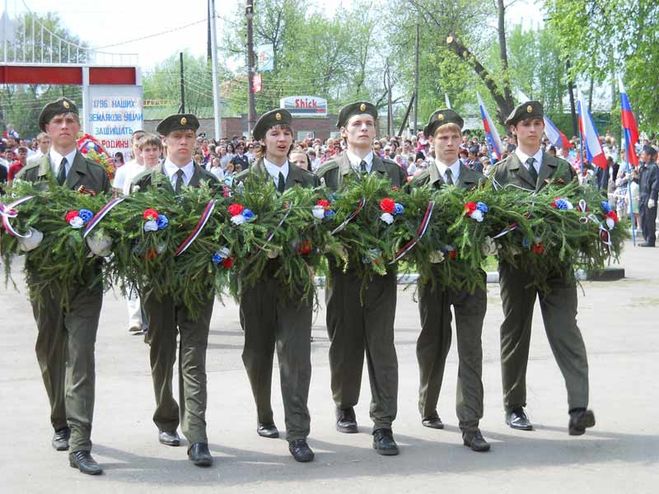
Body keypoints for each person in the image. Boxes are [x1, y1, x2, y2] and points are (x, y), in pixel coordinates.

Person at [16, 97, 111, 475]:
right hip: (45, 279)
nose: (65, 125)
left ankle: (80, 441)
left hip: (86, 278)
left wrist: (103, 239)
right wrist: (23, 239)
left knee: (81, 354)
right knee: (51, 351)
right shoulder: (28, 175)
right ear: (47, 130)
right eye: (58, 121)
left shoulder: (96, 173)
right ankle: (60, 420)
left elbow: (110, 217)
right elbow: (12, 222)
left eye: (71, 120)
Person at [491, 101, 595, 436]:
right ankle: (514, 405)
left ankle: (579, 408)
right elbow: (492, 223)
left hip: (556, 267)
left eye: (538, 123)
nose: (533, 129)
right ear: (514, 131)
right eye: (526, 124)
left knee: (566, 331)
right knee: (515, 334)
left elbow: (578, 212)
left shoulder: (562, 169)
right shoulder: (500, 173)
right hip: (517, 266)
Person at [316, 102, 406, 456]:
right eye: (357, 124)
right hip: (344, 273)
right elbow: (319, 224)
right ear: (344, 132)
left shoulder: (393, 172)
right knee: (345, 343)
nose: (365, 129)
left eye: (370, 124)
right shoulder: (328, 174)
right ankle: (345, 403)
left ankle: (383, 423)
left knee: (382, 347)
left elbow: (405, 218)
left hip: (382, 273)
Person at [131, 113, 219, 467]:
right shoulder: (143, 184)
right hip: (158, 284)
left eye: (190, 136)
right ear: (163, 141)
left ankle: (197, 434)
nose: (184, 141)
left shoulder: (211, 183)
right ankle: (167, 418)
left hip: (198, 284)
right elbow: (132, 237)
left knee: (194, 357)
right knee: (162, 353)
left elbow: (222, 232)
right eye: (177, 136)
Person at [235, 109, 319, 463]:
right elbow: (234, 231)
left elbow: (319, 231)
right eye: (274, 134)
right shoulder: (243, 181)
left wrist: (309, 262)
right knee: (257, 353)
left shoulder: (308, 181)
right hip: (256, 281)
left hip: (295, 280)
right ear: (262, 140)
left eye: (286, 133)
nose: (282, 139)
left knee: (296, 354)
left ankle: (298, 432)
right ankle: (264, 411)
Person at [410, 109, 490, 452]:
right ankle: (428, 404)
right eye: (443, 137)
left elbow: (491, 222)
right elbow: (408, 232)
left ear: (462, 141)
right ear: (431, 142)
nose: (450, 142)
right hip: (434, 276)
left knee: (470, 349)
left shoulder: (478, 180)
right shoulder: (418, 184)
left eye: (455, 136)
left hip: (470, 276)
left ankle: (470, 423)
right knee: (433, 344)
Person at [638, 146, 658, 247]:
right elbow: (640, 181)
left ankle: (651, 240)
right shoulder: (643, 167)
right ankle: (646, 238)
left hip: (649, 196)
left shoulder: (654, 167)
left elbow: (655, 183)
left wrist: (652, 198)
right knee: (643, 218)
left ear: (649, 156)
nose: (642, 155)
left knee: (650, 219)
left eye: (644, 154)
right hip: (642, 195)